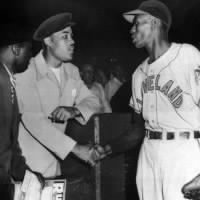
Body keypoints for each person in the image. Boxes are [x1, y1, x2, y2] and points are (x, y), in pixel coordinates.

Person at [112, 0, 200, 200]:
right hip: (149, 155)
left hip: (184, 152)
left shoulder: (187, 55)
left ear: (155, 22)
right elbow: (137, 129)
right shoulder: (138, 74)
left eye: (137, 23)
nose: (132, 30)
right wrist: (106, 148)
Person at [15, 12, 101, 180]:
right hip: (27, 170)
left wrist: (74, 110)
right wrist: (76, 149)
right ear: (48, 41)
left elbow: (93, 102)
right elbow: (34, 122)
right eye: (65, 36)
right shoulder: (26, 72)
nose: (72, 41)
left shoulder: (72, 71)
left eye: (72, 36)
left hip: (55, 169)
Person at [0, 23, 43, 199]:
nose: (31, 58)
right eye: (29, 50)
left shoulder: (7, 82)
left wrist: (26, 174)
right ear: (16, 49)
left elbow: (8, 144)